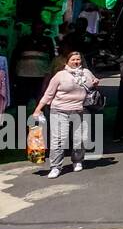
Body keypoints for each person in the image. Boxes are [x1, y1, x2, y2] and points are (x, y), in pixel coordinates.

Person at [32, 51, 100, 179]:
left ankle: (77, 160)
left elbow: (92, 86)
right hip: (59, 110)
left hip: (80, 110)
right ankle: (55, 167)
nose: (76, 62)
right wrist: (38, 109)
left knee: (80, 138)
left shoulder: (86, 73)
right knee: (59, 140)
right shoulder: (60, 75)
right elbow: (49, 94)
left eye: (78, 59)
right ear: (67, 62)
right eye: (73, 59)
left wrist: (95, 82)